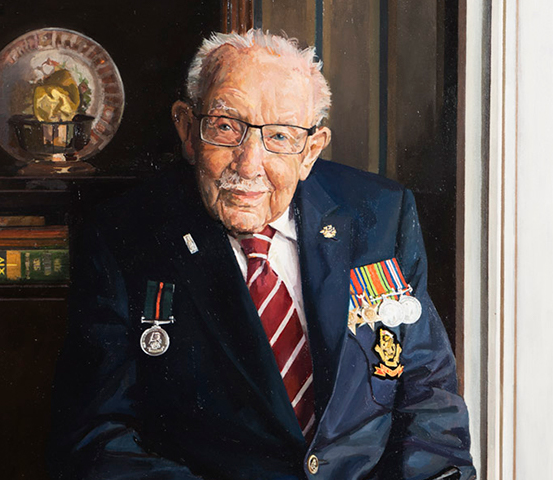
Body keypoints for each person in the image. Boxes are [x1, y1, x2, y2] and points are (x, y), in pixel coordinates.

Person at [48, 30, 476, 480]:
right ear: (187, 130)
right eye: (226, 126)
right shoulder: (123, 237)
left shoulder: (380, 215)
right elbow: (98, 439)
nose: (249, 164)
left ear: (310, 151)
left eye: (280, 136)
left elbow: (427, 397)